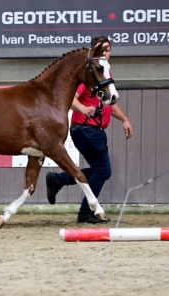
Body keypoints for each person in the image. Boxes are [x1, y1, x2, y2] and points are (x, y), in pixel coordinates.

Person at [46, 36, 133, 224]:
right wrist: (84, 109)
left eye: (108, 49)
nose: (105, 53)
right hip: (86, 129)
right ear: (93, 52)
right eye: (101, 50)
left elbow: (109, 103)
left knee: (101, 170)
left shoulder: (104, 75)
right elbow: (70, 98)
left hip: (94, 131)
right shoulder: (89, 75)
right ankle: (86, 211)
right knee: (103, 170)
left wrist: (124, 119)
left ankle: (60, 179)